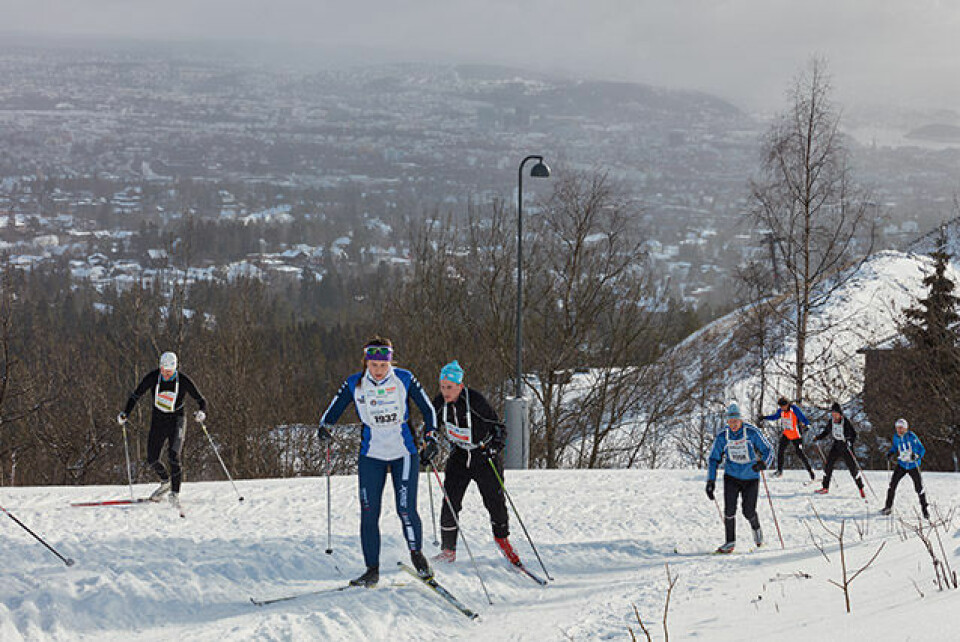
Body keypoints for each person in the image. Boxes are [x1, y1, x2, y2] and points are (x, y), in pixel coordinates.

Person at [319, 336, 438, 587]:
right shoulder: (355, 383)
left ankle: (417, 556)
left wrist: (431, 437)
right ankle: (371, 569)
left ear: (390, 362)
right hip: (371, 456)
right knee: (369, 513)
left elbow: (428, 409)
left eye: (383, 365)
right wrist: (325, 427)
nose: (379, 370)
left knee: (405, 509)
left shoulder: (404, 378)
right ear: (366, 362)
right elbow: (333, 409)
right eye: (374, 365)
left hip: (403, 453)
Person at [429, 361, 516, 566]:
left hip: (483, 456)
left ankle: (502, 540)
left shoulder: (474, 401)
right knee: (450, 501)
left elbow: (499, 428)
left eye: (450, 387)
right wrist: (428, 444)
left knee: (494, 501)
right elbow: (431, 426)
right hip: (459, 456)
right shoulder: (439, 403)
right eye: (442, 387)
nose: (445, 392)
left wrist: (495, 446)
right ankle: (448, 550)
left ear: (460, 386)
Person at [118, 352, 206, 507]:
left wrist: (202, 412)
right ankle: (165, 482)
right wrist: (125, 413)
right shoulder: (153, 377)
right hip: (158, 422)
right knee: (152, 458)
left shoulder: (183, 380)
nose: (165, 374)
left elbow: (201, 400)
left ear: (175, 368)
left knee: (173, 455)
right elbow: (135, 395)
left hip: (177, 421)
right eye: (163, 370)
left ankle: (175, 493)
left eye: (169, 371)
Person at [706, 402, 775, 554]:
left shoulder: (751, 432)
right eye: (730, 422)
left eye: (735, 421)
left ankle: (757, 533)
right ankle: (729, 542)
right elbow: (713, 459)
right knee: (729, 511)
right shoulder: (723, 436)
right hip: (731, 476)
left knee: (748, 511)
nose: (733, 425)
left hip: (751, 477)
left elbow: (768, 450)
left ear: (741, 420)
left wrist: (764, 463)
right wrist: (710, 481)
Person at [812, 402, 865, 498]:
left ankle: (861, 488)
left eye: (836, 413)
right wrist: (818, 437)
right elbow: (826, 432)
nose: (834, 415)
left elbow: (853, 434)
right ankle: (825, 487)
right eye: (832, 413)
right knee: (828, 465)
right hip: (836, 445)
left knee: (852, 468)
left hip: (846, 446)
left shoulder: (846, 422)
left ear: (840, 414)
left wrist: (850, 441)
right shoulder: (831, 422)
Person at [881, 418, 929, 519]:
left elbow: (921, 449)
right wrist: (891, 453)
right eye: (897, 428)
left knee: (919, 488)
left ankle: (925, 510)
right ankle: (888, 507)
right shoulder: (896, 437)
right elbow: (895, 446)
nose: (899, 430)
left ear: (906, 428)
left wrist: (916, 456)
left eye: (901, 428)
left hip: (913, 465)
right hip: (902, 464)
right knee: (892, 485)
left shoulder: (912, 436)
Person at [761, 396, 814, 480]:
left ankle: (810, 471)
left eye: (784, 406)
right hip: (786, 434)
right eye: (781, 406)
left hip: (796, 435)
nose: (782, 408)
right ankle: (779, 471)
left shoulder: (794, 409)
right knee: (780, 451)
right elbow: (775, 417)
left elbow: (802, 417)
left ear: (788, 404)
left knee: (800, 453)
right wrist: (764, 417)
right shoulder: (781, 411)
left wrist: (807, 424)